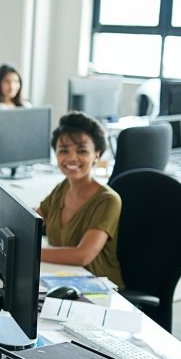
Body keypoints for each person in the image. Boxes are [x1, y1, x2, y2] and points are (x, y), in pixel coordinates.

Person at [37, 112, 125, 289]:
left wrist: (30, 252)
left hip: (98, 289)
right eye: (63, 151)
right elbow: (32, 219)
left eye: (82, 151)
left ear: (97, 155)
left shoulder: (108, 200)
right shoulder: (62, 188)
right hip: (62, 280)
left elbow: (82, 255)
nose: (71, 158)